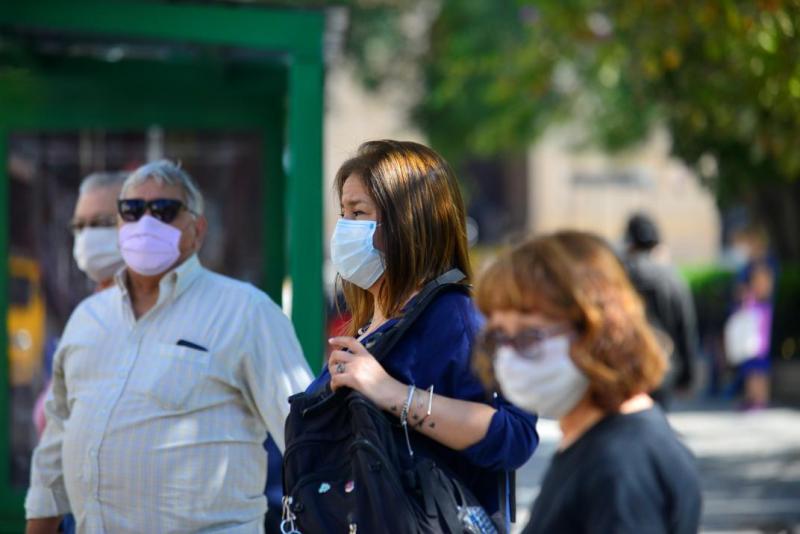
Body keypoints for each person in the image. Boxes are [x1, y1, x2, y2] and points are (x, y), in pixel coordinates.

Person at [25, 160, 313, 533]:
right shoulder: (87, 319)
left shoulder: (247, 312)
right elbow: (54, 448)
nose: (146, 223)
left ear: (197, 230)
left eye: (164, 210)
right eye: (132, 210)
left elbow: (308, 437)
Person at [310, 140, 539, 521]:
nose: (344, 228)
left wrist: (393, 394)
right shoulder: (368, 323)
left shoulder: (456, 318)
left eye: (358, 212)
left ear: (408, 222)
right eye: (343, 213)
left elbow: (515, 435)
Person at [474, 231, 702, 534]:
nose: (508, 356)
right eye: (498, 336)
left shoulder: (621, 465)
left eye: (528, 335)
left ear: (596, 331)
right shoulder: (591, 439)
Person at [623, 212, 699, 408]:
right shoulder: (672, 278)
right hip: (664, 367)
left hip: (626, 367)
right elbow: (686, 326)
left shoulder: (619, 276)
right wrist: (688, 376)